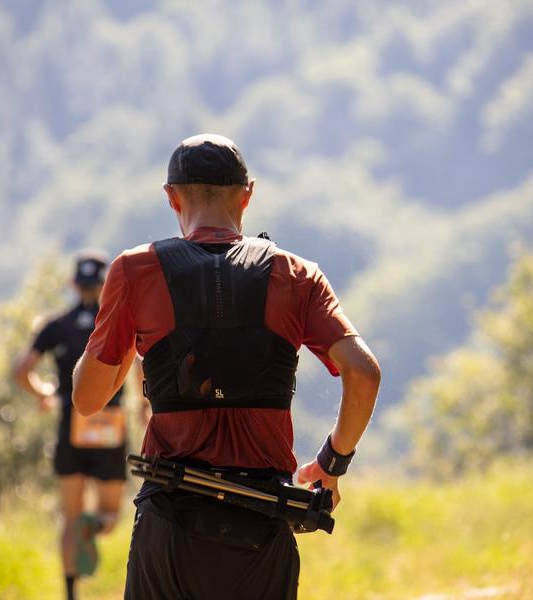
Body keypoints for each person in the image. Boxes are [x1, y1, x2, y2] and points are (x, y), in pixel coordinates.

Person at [72, 133, 380, 599]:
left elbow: (87, 399)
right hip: (263, 525)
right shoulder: (297, 275)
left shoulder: (136, 270)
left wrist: (129, 329)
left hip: (169, 524)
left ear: (172, 197)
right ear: (247, 195)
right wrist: (331, 464)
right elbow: (364, 372)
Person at [13, 250, 142, 600]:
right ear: (104, 285)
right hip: (110, 425)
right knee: (111, 515)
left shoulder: (56, 325)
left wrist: (44, 393)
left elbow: (21, 370)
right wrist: (143, 406)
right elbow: (139, 364)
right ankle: (94, 527)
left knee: (70, 518)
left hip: (71, 425)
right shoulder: (118, 323)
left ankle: (71, 594)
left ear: (73, 284)